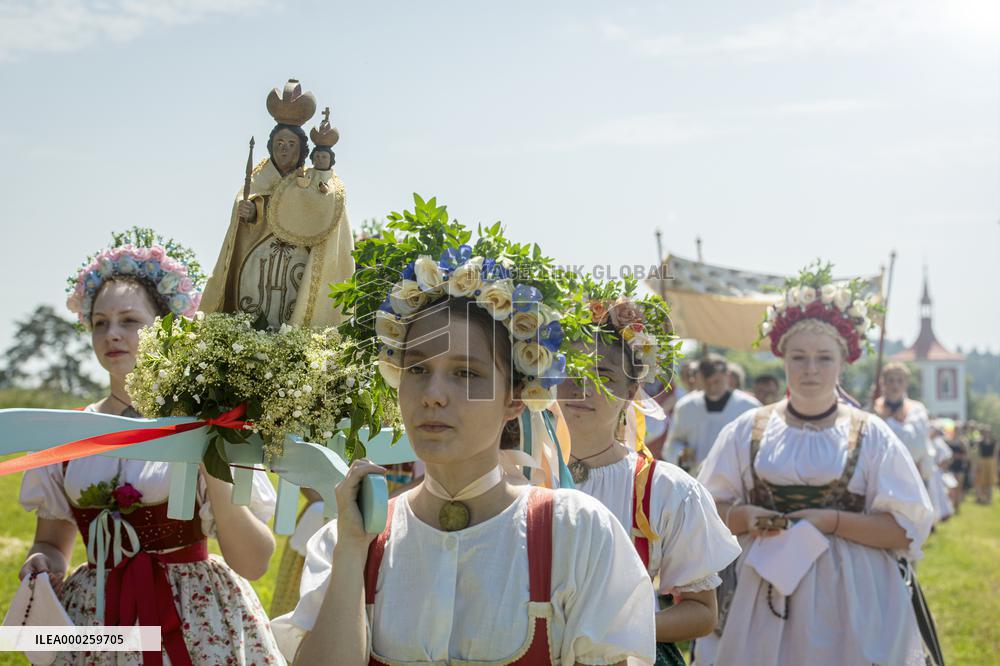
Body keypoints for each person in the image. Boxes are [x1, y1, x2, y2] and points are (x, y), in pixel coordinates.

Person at [273, 218, 656, 664]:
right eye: (417, 369)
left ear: (516, 398)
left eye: (466, 373)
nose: (433, 395)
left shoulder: (574, 533)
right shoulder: (352, 540)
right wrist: (352, 554)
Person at [19, 231, 283, 665]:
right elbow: (51, 545)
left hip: (192, 614)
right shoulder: (69, 434)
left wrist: (208, 451)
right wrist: (42, 564)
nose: (112, 334)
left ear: (166, 326)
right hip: (96, 619)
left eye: (129, 320)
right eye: (100, 322)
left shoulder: (204, 423)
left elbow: (254, 562)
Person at [697, 267, 934, 666]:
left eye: (824, 358)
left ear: (843, 363)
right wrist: (743, 516)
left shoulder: (871, 434)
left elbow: (904, 530)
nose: (811, 369)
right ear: (783, 359)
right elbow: (705, 514)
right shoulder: (747, 429)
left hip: (855, 596)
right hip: (762, 591)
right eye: (799, 357)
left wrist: (832, 522)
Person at [557, 284, 741, 665]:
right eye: (570, 370)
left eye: (603, 374)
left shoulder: (663, 488)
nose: (581, 386)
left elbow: (703, 612)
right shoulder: (515, 474)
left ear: (632, 390)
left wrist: (610, 632)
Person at [202, 79, 354, 329]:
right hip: (256, 270)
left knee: (293, 317)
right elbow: (244, 216)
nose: (284, 151)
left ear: (303, 150)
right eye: (279, 145)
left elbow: (326, 213)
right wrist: (250, 212)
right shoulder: (258, 181)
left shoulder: (314, 185)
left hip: (296, 269)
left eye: (291, 145)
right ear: (271, 148)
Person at [662, 354, 760, 473]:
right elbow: (672, 444)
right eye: (707, 382)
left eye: (716, 381)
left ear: (727, 375)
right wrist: (680, 454)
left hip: (735, 482)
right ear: (699, 378)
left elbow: (759, 446)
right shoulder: (686, 407)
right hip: (695, 479)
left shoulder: (749, 407)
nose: (712, 387)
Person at [874, 363, 935, 486]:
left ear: (906, 384)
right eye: (890, 380)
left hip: (911, 479)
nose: (895, 385)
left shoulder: (916, 409)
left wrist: (887, 421)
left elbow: (915, 447)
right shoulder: (873, 407)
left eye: (900, 381)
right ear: (883, 383)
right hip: (881, 477)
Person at [974, 425, 997, 504]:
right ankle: (982, 498)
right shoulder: (980, 442)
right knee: (981, 481)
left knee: (989, 481)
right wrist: (978, 463)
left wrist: (995, 465)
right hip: (982, 462)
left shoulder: (993, 442)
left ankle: (989, 498)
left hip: (990, 462)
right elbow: (978, 454)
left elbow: (995, 454)